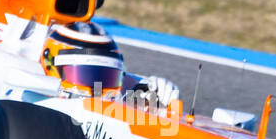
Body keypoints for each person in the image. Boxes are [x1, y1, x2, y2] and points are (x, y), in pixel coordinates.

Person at [42, 22, 180, 106]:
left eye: (106, 76)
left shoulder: (117, 93)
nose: (97, 89)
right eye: (85, 74)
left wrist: (157, 91)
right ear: (51, 65)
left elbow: (128, 84)